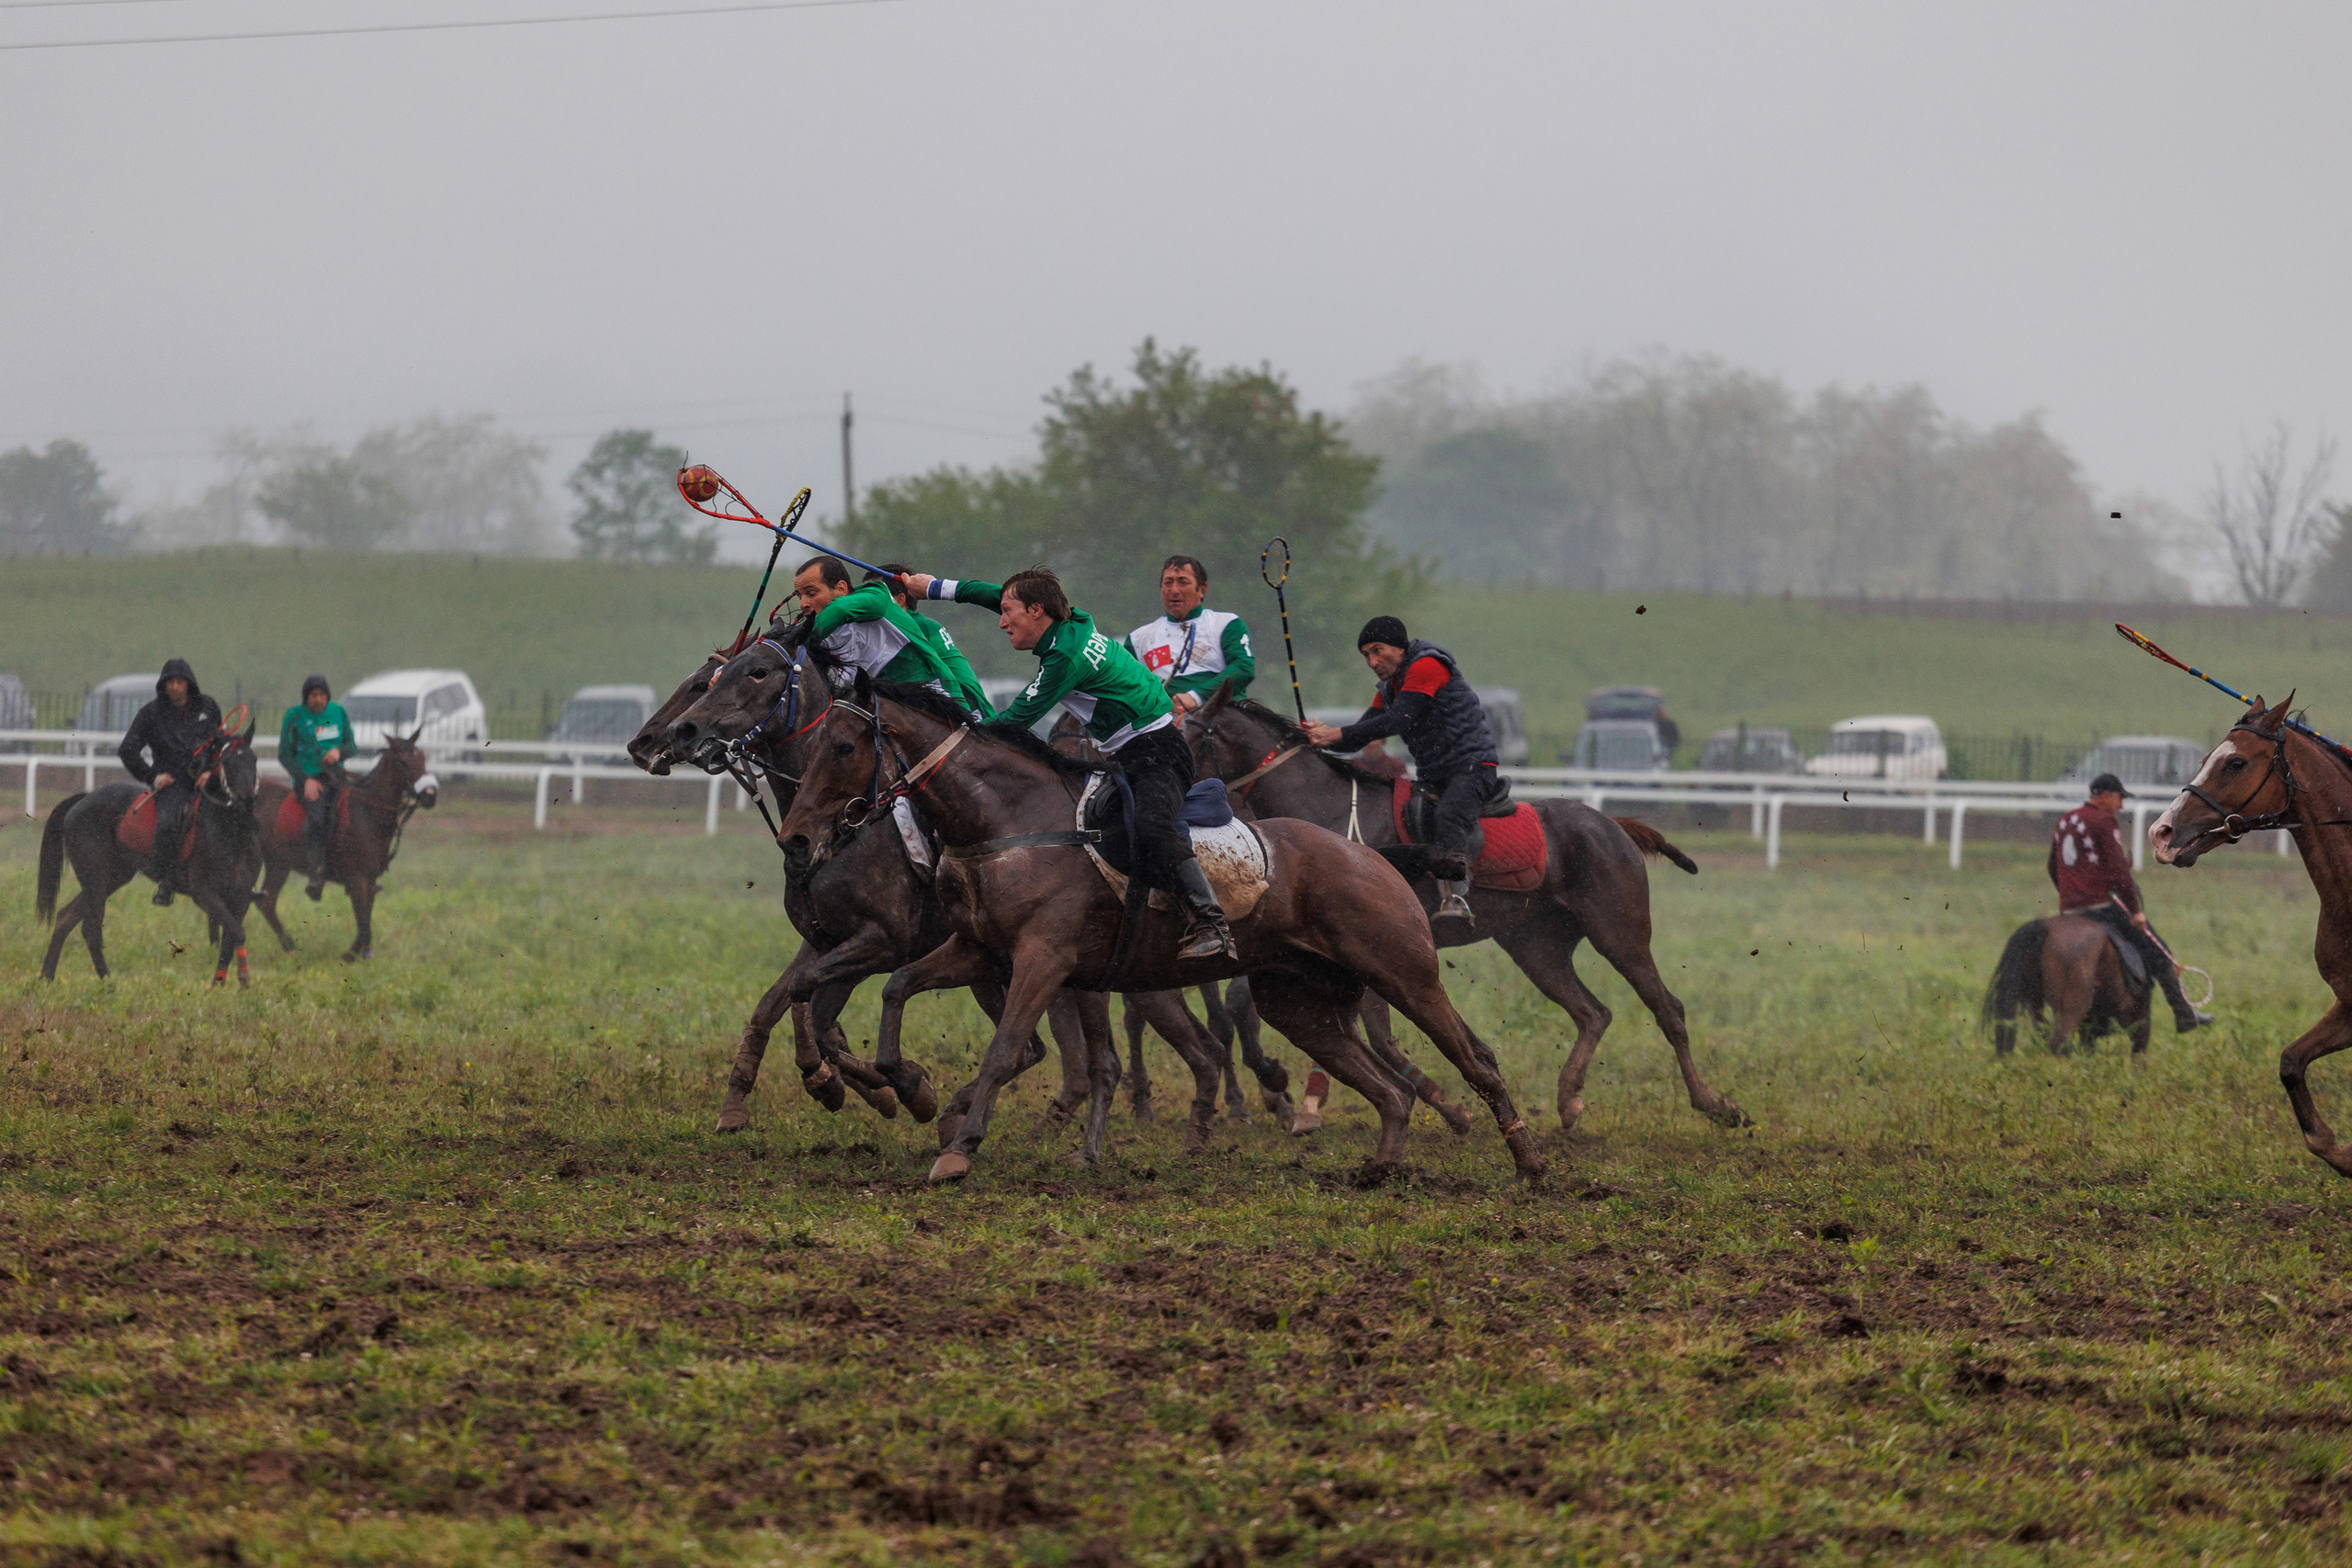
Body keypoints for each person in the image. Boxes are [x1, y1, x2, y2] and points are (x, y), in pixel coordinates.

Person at [903, 565, 1235, 961]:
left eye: (1008, 614)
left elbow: (1014, 721)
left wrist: (948, 742)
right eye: (1003, 612)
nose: (1002, 623)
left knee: (1150, 825)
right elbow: (996, 594)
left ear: (1037, 611)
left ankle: (1212, 922)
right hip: (1130, 754)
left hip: (1160, 752)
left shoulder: (1064, 657)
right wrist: (933, 587)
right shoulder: (1067, 621)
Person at [1301, 616, 1501, 931]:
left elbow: (1397, 721)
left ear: (1399, 647)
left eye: (1377, 650)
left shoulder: (1426, 666)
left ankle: (1457, 899)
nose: (1372, 662)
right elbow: (1361, 734)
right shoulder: (1391, 687)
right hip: (1435, 775)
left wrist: (1334, 733)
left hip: (1473, 768)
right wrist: (1318, 740)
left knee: (1448, 815)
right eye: (1366, 655)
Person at [2050, 772, 2211, 1032]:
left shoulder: (2065, 819)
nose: (2121, 805)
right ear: (2105, 796)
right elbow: (2118, 873)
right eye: (2119, 798)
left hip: (2069, 911)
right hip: (2101, 909)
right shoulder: (2103, 821)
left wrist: (2069, 895)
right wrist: (2135, 912)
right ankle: (2184, 1015)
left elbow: (2052, 866)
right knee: (2159, 952)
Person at [782, 555, 974, 715]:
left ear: (841, 589)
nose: (803, 604)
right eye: (800, 596)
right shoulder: (823, 637)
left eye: (811, 593)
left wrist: (790, 641)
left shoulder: (876, 595)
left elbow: (840, 609)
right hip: (891, 715)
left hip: (939, 705)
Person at [117, 657, 222, 907]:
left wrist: (211, 772)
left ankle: (242, 876)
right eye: (170, 682)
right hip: (172, 785)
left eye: (180, 682)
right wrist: (152, 777)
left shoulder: (208, 707)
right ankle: (166, 881)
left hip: (207, 780)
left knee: (239, 810)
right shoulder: (150, 714)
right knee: (166, 824)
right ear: (163, 685)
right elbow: (127, 749)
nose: (175, 687)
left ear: (189, 683)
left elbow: (220, 743)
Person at [1125, 554, 1255, 714]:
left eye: (1183, 582)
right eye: (1168, 582)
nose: (1174, 590)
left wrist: (1196, 697)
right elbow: (1126, 687)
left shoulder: (1226, 624)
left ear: (1202, 590)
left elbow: (1244, 669)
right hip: (1165, 721)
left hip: (1223, 717)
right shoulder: (1137, 639)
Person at [870, 564, 994, 720]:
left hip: (972, 717)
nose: (865, 604)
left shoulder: (915, 627)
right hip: (978, 714)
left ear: (900, 600)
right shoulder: (926, 624)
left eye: (873, 597)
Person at [279, 673, 353, 900]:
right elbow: (284, 755)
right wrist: (305, 780)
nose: (318, 699)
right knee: (318, 820)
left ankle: (356, 873)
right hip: (309, 780)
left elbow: (352, 746)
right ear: (306, 697)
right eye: (313, 695)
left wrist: (339, 752)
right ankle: (315, 875)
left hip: (337, 777)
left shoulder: (338, 712)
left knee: (355, 817)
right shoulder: (294, 717)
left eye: (322, 695)